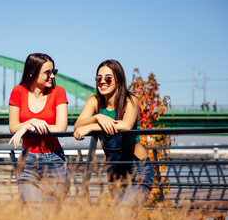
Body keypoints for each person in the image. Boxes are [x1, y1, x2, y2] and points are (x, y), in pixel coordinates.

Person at [73, 59, 154, 206]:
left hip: (137, 167)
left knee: (125, 212)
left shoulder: (130, 100)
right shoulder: (95, 101)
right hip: (115, 170)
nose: (102, 81)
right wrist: (98, 117)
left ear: (118, 79)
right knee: (120, 219)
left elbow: (126, 125)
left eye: (108, 78)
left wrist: (92, 126)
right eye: (98, 78)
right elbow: (78, 125)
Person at [8, 53, 71, 205]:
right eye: (47, 73)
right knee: (35, 212)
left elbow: (61, 128)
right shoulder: (18, 92)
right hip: (28, 160)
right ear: (32, 73)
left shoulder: (58, 92)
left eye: (53, 72)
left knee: (51, 212)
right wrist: (32, 122)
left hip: (54, 160)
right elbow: (13, 127)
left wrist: (28, 127)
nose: (52, 77)